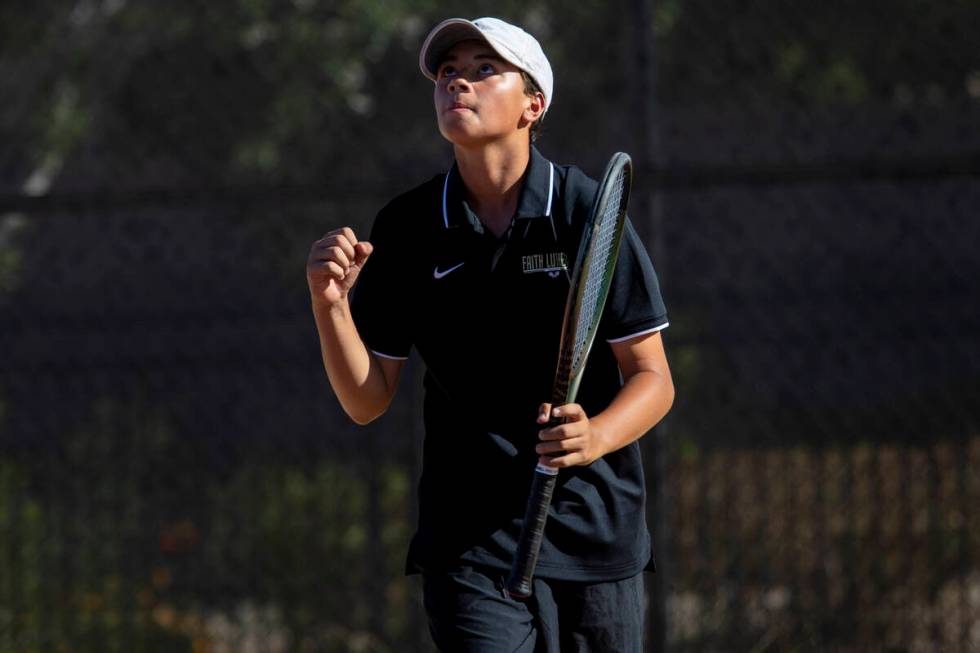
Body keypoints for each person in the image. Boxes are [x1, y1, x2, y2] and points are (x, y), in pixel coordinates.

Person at [306, 16, 674, 652]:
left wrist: (595, 437)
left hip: (595, 535)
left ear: (534, 104)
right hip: (467, 543)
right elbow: (367, 401)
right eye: (448, 72)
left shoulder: (584, 210)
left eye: (484, 70)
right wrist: (330, 306)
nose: (459, 84)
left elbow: (654, 378)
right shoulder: (408, 225)